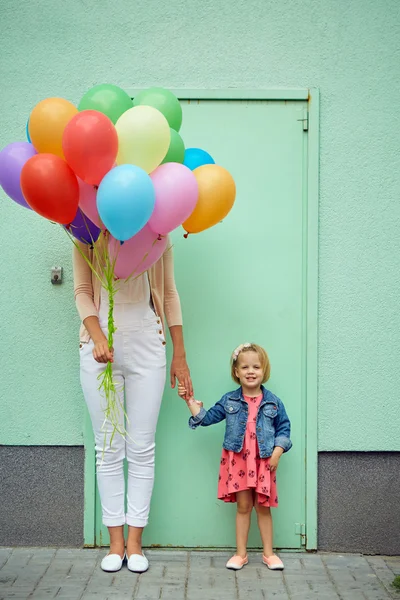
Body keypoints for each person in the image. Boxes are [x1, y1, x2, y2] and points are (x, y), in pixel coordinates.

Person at [73, 235, 192, 573]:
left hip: (146, 339)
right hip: (97, 345)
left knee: (141, 447)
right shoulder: (84, 228)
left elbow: (169, 293)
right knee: (108, 446)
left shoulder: (158, 229)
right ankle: (115, 544)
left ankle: (135, 544)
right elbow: (82, 292)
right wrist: (97, 336)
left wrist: (179, 354)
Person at [178, 343, 291, 571]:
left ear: (264, 370)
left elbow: (284, 429)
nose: (251, 371)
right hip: (238, 461)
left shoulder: (273, 402)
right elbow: (207, 418)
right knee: (243, 506)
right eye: (245, 367)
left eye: (256, 367)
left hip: (263, 462)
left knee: (263, 507)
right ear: (236, 372)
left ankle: (269, 554)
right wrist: (190, 402)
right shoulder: (229, 400)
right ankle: (241, 554)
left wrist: (277, 453)